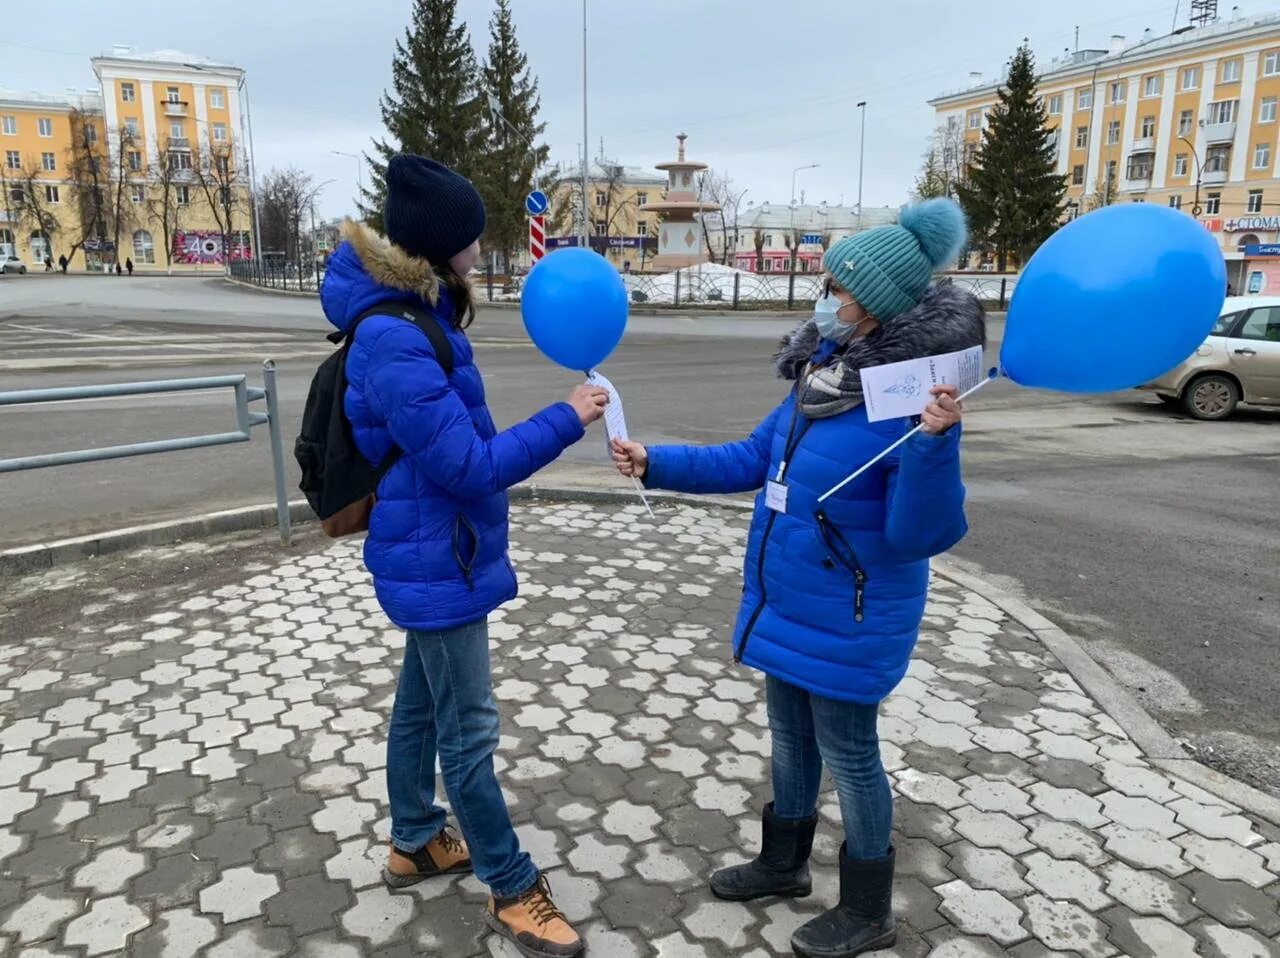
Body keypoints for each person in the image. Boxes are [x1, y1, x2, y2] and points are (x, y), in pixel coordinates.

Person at [611, 198, 985, 958]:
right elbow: (754, 460)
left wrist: (935, 446)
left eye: (837, 287)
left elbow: (923, 533)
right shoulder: (823, 374)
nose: (825, 297)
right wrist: (658, 461)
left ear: (875, 306)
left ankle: (868, 909)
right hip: (786, 601)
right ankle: (783, 865)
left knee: (850, 753)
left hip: (850, 614)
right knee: (788, 735)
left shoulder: (913, 403)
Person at [320, 153, 604, 958]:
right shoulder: (394, 338)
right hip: (436, 557)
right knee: (468, 730)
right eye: (474, 238)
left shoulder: (417, 319)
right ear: (442, 244)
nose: (482, 251)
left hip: (439, 550)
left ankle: (414, 838)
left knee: (420, 706)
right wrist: (566, 417)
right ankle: (512, 888)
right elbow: (469, 466)